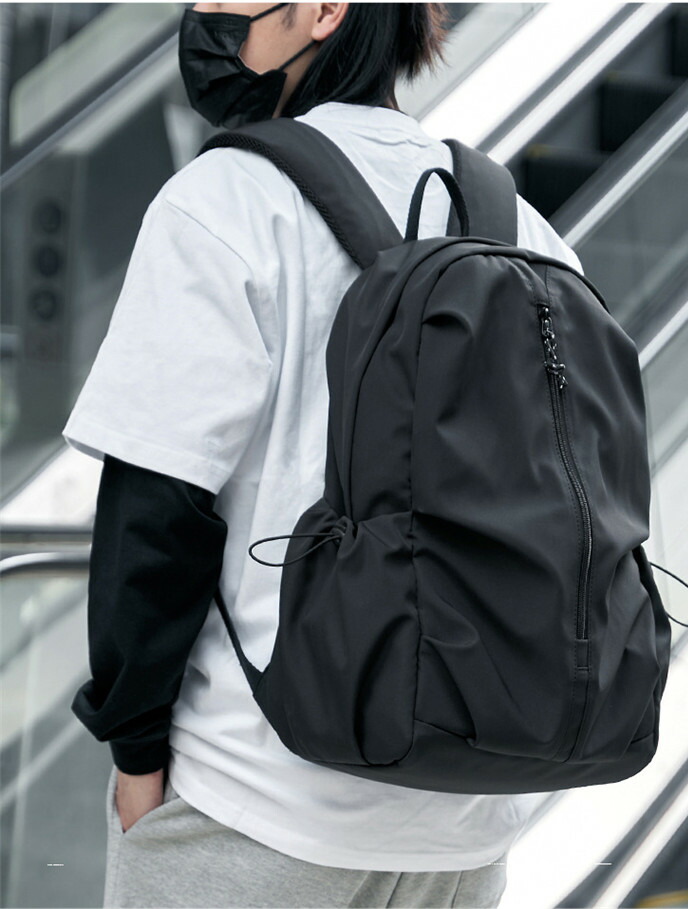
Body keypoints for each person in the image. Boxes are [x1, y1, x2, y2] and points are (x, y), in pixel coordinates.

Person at [63, 4, 584, 907]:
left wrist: (137, 761)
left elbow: (155, 514)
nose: (202, 13)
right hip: (466, 825)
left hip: (255, 803)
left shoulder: (225, 201)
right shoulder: (528, 232)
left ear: (323, 10)